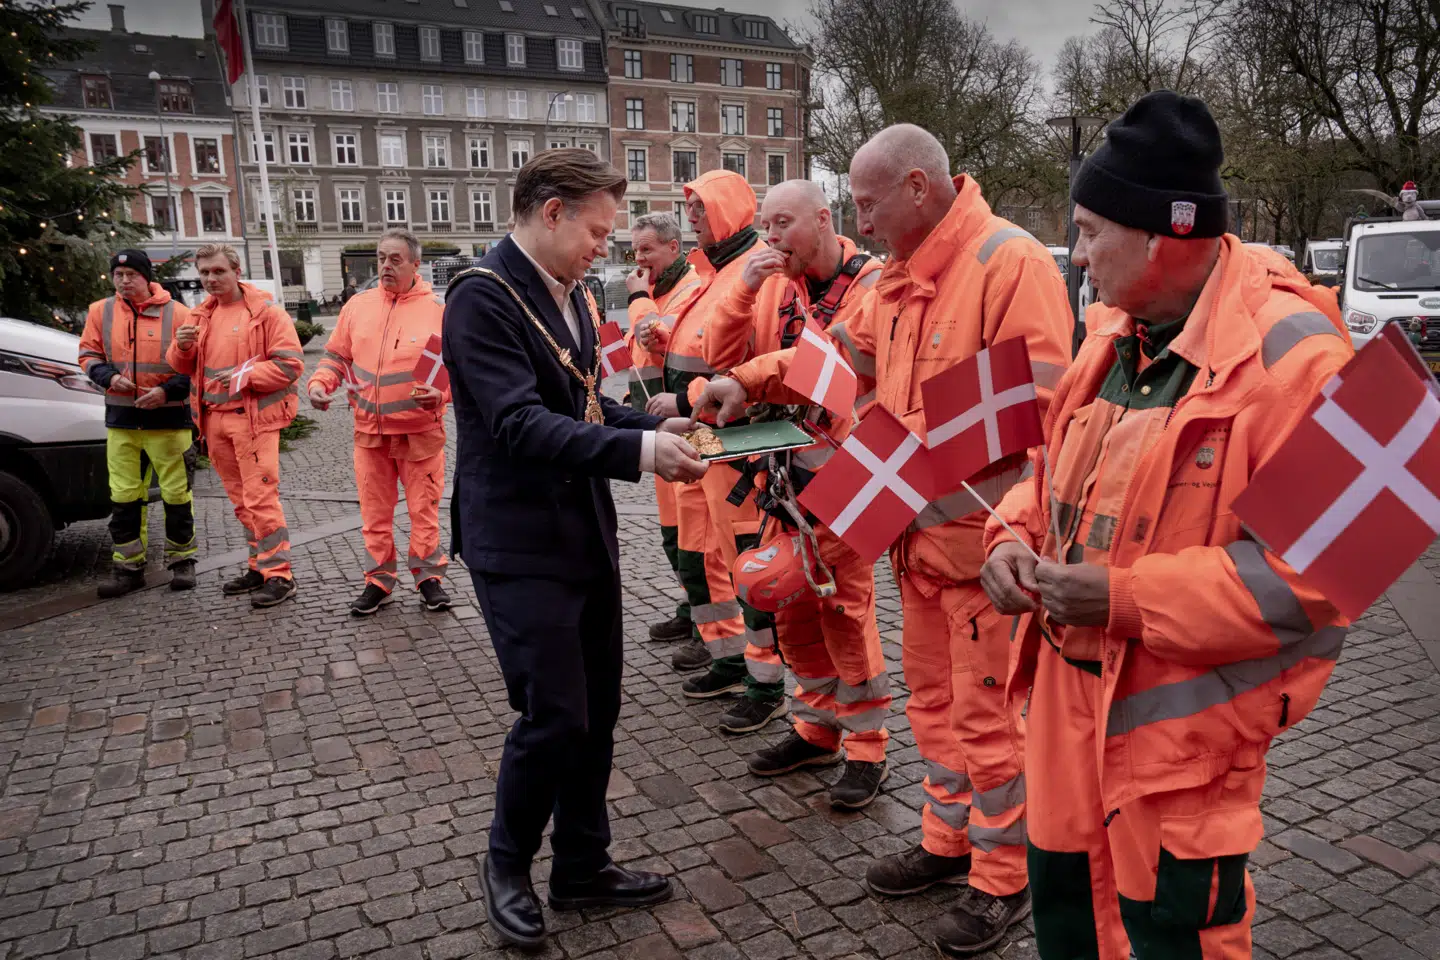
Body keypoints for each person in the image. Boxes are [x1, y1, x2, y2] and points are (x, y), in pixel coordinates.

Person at [980, 91, 1352, 960]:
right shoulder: (1114, 333)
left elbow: (1315, 580)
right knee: (1068, 920)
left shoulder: (1304, 362)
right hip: (1068, 719)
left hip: (1180, 754)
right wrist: (1006, 538)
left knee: (1172, 941)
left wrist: (1120, 600)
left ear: (1160, 235)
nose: (1076, 257)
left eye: (1088, 231)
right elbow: (1049, 475)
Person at [697, 127, 1072, 954]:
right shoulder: (900, 277)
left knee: (989, 721)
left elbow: (1044, 420)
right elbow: (835, 359)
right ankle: (948, 844)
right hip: (917, 548)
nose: (860, 224)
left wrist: (908, 450)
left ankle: (1002, 880)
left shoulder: (1009, 265)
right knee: (934, 707)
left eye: (866, 205)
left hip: (984, 558)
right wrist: (745, 381)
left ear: (914, 187)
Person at [441, 149, 706, 950]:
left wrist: (658, 426)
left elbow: (587, 406)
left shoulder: (578, 296)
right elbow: (518, 425)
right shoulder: (479, 301)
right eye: (596, 230)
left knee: (598, 712)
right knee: (552, 715)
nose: (607, 247)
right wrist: (641, 457)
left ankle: (583, 867)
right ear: (550, 211)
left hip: (583, 531)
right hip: (517, 544)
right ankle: (507, 864)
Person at [687, 180, 891, 809]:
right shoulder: (777, 283)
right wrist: (745, 286)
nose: (772, 238)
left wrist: (756, 379)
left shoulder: (873, 286)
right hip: (790, 472)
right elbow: (716, 359)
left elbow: (832, 368)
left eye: (784, 224)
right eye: (766, 226)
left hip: (859, 473)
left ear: (825, 220)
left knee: (845, 611)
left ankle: (868, 748)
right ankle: (815, 726)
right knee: (793, 609)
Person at [636, 169, 787, 733]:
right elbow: (695, 341)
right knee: (707, 548)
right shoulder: (713, 273)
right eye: (691, 210)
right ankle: (728, 657)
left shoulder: (751, 274)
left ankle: (765, 681)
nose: (692, 219)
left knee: (746, 560)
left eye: (699, 209)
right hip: (707, 432)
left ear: (724, 210)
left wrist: (684, 396)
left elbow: (743, 359)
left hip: (739, 437)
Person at [307, 229, 452, 617]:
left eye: (395, 259)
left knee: (423, 510)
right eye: (381, 258)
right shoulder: (357, 306)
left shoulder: (438, 310)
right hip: (369, 432)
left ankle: (429, 579)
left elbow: (456, 369)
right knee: (374, 513)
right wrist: (320, 383)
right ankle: (378, 581)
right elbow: (336, 356)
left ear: (415, 265)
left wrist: (442, 395)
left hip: (420, 431)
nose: (386, 266)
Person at [167, 243, 303, 608]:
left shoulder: (266, 313)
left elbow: (290, 365)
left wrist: (244, 376)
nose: (211, 279)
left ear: (236, 271)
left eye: (218, 271)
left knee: (261, 500)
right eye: (205, 272)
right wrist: (180, 348)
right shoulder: (198, 316)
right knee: (242, 503)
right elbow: (181, 367)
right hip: (214, 420)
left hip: (253, 421)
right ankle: (259, 567)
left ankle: (280, 576)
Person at [78, 249, 198, 597]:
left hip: (169, 419)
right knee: (124, 495)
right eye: (119, 275)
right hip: (122, 420)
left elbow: (195, 367)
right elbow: (88, 354)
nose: (125, 280)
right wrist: (108, 377)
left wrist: (165, 391)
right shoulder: (100, 312)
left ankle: (182, 562)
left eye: (132, 274)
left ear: (147, 277)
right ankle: (128, 568)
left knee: (177, 494)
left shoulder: (179, 314)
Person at [623, 212, 705, 645]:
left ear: (673, 248)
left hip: (688, 426)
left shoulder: (689, 290)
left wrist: (637, 299)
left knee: (696, 536)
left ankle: (708, 628)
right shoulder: (660, 290)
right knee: (674, 535)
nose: (640, 259)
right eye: (635, 250)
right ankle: (690, 608)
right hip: (658, 425)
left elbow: (653, 336)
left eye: (647, 249)